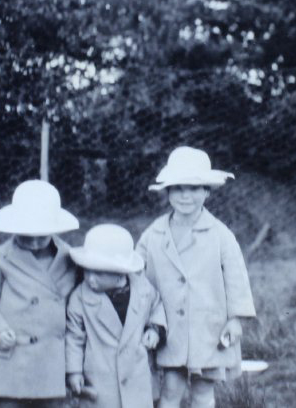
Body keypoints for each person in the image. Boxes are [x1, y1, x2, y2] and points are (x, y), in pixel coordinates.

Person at [136, 146, 257, 408]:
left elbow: (236, 278)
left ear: (207, 191)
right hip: (169, 328)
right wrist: (146, 321)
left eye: (193, 188)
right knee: (170, 390)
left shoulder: (220, 235)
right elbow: (138, 277)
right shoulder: (154, 235)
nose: (185, 196)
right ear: (167, 192)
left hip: (208, 329)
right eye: (178, 188)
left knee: (203, 392)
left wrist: (236, 320)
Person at [0, 179, 80, 407]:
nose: (34, 240)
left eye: (41, 234)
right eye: (27, 233)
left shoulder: (71, 259)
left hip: (51, 359)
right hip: (14, 355)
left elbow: (79, 301)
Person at [65, 223, 166, 408]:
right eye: (87, 270)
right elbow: (74, 337)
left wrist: (155, 328)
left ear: (120, 274)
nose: (90, 278)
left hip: (136, 374)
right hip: (101, 377)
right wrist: (74, 371)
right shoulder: (80, 298)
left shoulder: (143, 289)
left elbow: (157, 305)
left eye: (99, 273)